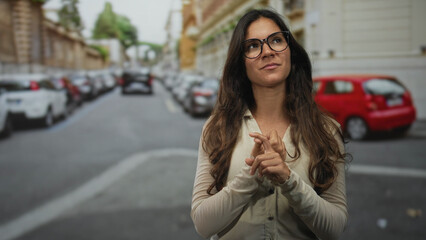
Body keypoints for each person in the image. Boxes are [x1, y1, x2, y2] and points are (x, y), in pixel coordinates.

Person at [191, 9, 350, 240]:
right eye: (253, 46)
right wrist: (252, 174)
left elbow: (334, 228)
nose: (267, 52)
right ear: (241, 63)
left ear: (290, 52)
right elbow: (203, 225)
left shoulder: (326, 130)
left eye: (276, 40)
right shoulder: (217, 128)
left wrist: (288, 180)